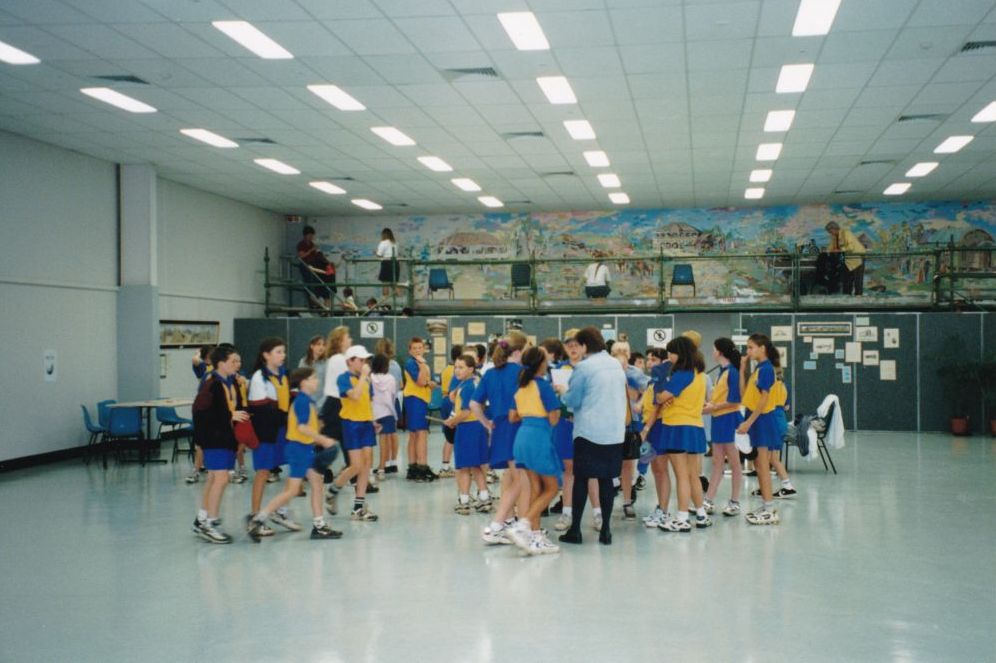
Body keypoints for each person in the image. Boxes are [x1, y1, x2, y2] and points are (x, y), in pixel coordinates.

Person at [247, 367, 343, 541]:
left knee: (317, 483)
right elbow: (302, 427)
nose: (317, 381)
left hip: (305, 449)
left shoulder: (307, 400)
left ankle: (319, 525)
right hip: (298, 450)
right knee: (292, 490)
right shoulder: (302, 401)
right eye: (314, 378)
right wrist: (323, 440)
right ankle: (258, 519)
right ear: (304, 382)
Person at [555, 327, 626, 546]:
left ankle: (575, 530)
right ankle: (605, 530)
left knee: (582, 479)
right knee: (606, 480)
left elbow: (572, 400)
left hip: (589, 432)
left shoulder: (584, 368)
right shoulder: (616, 364)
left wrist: (561, 390)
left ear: (585, 345)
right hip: (614, 432)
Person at [505, 347, 563, 555]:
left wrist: (529, 415)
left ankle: (536, 537)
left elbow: (512, 417)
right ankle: (524, 525)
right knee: (552, 487)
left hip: (521, 437)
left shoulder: (521, 387)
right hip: (539, 437)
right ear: (541, 364)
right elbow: (554, 418)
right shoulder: (544, 386)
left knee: (535, 488)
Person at [474, 331, 530, 545]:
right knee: (522, 481)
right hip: (518, 427)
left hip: (499, 428)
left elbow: (474, 404)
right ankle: (509, 525)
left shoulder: (490, 373)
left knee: (511, 476)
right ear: (517, 352)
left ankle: (507, 521)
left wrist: (487, 424)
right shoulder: (522, 373)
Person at [191, 345, 249, 544]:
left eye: (239, 361)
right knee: (221, 479)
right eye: (234, 361)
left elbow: (237, 407)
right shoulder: (211, 384)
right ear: (221, 363)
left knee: (214, 478)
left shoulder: (232, 382)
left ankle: (202, 519)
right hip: (214, 438)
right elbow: (202, 412)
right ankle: (211, 523)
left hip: (226, 438)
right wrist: (229, 415)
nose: (238, 364)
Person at [655, 336, 711, 532]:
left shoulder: (681, 374)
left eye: (672, 352)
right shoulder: (700, 375)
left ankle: (682, 517)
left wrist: (661, 395)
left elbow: (661, 397)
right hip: (695, 426)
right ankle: (701, 514)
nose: (669, 356)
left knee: (681, 476)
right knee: (693, 475)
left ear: (681, 353)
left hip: (677, 427)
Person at [246, 337, 298, 535]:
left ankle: (280, 510)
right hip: (266, 433)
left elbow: (292, 400)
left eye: (283, 351)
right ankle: (255, 516)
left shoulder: (285, 375)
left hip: (284, 431)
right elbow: (262, 411)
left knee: (297, 466)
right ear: (266, 355)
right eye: (278, 352)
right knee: (263, 472)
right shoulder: (259, 378)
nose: (282, 355)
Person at [327, 345, 379, 521]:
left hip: (366, 424)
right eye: (361, 360)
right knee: (356, 465)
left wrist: (372, 420)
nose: (364, 363)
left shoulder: (366, 380)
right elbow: (354, 396)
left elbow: (366, 401)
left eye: (365, 360)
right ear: (350, 361)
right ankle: (334, 489)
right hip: (351, 424)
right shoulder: (343, 378)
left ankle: (358, 506)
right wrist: (364, 376)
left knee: (366, 464)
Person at [737, 333, 782, 525]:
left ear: (762, 348)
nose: (748, 351)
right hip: (754, 418)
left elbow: (764, 399)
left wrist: (749, 422)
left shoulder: (766, 369)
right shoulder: (758, 369)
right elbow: (745, 395)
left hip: (762, 420)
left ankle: (770, 509)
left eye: (750, 348)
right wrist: (742, 369)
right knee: (758, 464)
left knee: (763, 465)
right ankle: (766, 505)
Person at [443, 354, 491, 515]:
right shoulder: (467, 385)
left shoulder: (468, 387)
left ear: (471, 369)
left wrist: (452, 421)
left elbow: (465, 412)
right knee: (476, 465)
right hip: (475, 428)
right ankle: (484, 498)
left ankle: (463, 501)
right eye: (456, 366)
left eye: (461, 367)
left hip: (467, 428)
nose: (457, 370)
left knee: (463, 466)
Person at [702, 338, 744, 517]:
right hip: (719, 420)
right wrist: (709, 404)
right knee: (717, 462)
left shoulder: (732, 372)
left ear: (719, 352)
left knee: (734, 463)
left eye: (713, 349)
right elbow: (720, 397)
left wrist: (713, 407)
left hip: (729, 420)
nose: (712, 352)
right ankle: (708, 500)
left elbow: (734, 400)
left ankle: (735, 501)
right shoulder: (723, 371)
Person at [403, 337, 437, 482]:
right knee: (421, 434)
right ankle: (422, 468)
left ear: (424, 349)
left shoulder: (422, 363)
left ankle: (413, 467)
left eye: (420, 348)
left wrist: (430, 384)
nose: (417, 350)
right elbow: (420, 381)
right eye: (414, 348)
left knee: (415, 435)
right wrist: (423, 368)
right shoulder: (412, 363)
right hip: (414, 400)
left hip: (419, 399)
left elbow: (425, 382)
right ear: (410, 351)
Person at [185, 344, 215, 483]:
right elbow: (195, 360)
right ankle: (196, 470)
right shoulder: (204, 368)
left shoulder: (220, 369)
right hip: (203, 408)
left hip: (216, 408)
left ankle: (214, 466)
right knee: (201, 443)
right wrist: (198, 353)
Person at [370, 353, 398, 481]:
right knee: (385, 442)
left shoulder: (369, 378)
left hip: (373, 413)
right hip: (387, 412)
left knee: (369, 444)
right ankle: (382, 469)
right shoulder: (391, 379)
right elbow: (393, 395)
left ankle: (369, 471)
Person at [437, 345, 464, 478]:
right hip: (452, 402)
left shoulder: (446, 370)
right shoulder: (459, 373)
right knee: (454, 436)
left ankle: (445, 465)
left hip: (445, 400)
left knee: (449, 437)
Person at [296, 225, 334, 309]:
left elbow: (317, 255)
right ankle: (314, 302)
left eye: (312, 236)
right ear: (306, 235)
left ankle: (321, 303)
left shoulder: (312, 244)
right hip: (306, 266)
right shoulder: (301, 244)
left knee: (319, 282)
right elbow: (301, 256)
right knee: (310, 284)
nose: (311, 237)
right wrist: (311, 250)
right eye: (310, 235)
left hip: (314, 265)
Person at [826, 220, 867, 295]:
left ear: (834, 228)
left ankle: (858, 295)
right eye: (829, 232)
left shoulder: (846, 233)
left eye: (830, 231)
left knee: (857, 278)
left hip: (857, 256)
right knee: (846, 277)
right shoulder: (834, 237)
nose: (830, 233)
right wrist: (827, 251)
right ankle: (847, 295)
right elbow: (830, 247)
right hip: (846, 259)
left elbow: (850, 247)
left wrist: (839, 250)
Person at [376, 228, 400, 296]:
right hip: (396, 263)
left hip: (387, 263)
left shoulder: (383, 243)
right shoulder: (395, 243)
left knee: (385, 283)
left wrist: (375, 252)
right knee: (394, 284)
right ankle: (400, 300)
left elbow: (379, 255)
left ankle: (385, 301)